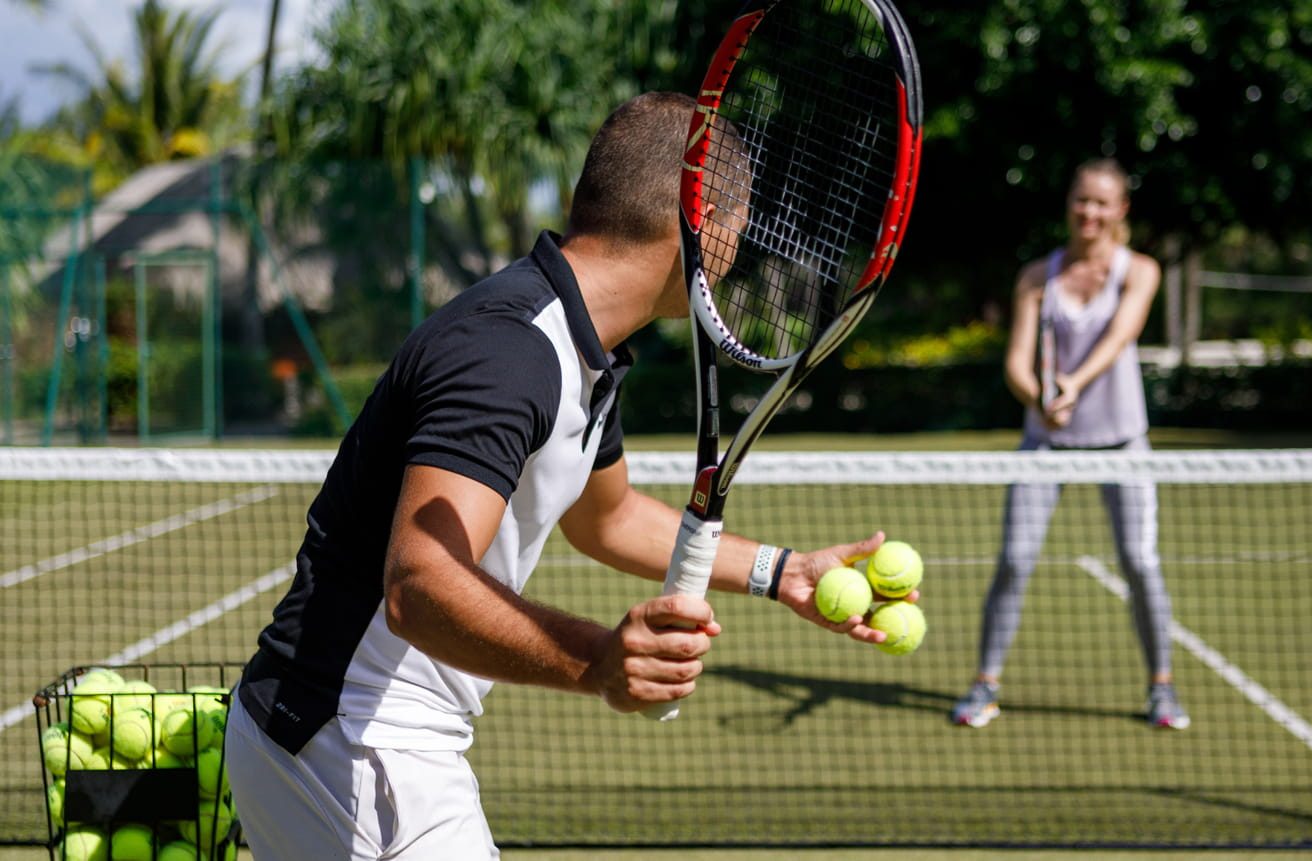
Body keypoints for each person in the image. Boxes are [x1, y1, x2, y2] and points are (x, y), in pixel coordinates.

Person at [224, 92, 901, 860]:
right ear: (698, 217)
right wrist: (599, 662)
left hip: (338, 737)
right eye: (737, 226)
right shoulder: (510, 352)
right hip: (354, 737)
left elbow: (606, 518)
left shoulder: (581, 351)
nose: (736, 249)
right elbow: (418, 584)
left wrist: (782, 572)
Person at [949, 158, 1186, 731]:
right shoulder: (1037, 277)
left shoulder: (1141, 271)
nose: (1090, 212)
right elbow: (1015, 363)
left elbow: (1121, 333)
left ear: (1120, 211)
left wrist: (1074, 384)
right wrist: (1039, 401)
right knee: (1014, 560)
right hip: (1045, 445)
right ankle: (985, 684)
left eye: (1102, 203)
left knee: (1139, 561)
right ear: (1069, 205)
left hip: (1122, 442)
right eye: (1082, 200)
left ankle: (1162, 688)